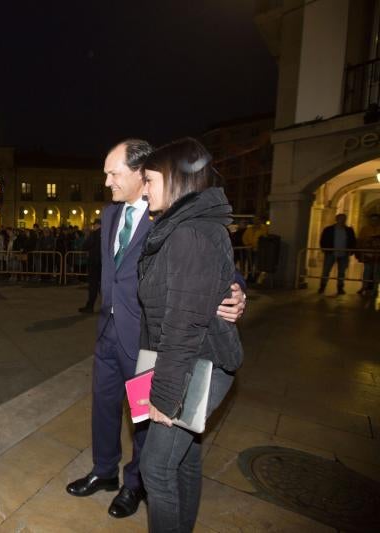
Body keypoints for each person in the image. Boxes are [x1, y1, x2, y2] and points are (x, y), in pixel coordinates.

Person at [65, 139, 245, 520]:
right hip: (108, 333)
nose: (108, 181)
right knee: (104, 408)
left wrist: (237, 291)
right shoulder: (111, 215)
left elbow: (212, 261)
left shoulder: (172, 212)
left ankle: (134, 485)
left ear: (138, 172)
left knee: (146, 421)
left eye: (114, 173)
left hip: (149, 340)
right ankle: (104, 472)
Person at [137, 137, 244, 532]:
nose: (144, 188)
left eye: (149, 179)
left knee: (156, 469)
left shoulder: (190, 233)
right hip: (182, 361)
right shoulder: (185, 227)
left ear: (176, 179)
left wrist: (165, 397)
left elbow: (183, 324)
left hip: (194, 364)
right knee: (183, 460)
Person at [318, 213, 357, 295]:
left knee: (342, 272)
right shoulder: (329, 229)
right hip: (331, 253)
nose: (342, 220)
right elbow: (323, 239)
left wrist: (351, 251)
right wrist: (324, 249)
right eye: (340, 219)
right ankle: (322, 287)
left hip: (344, 254)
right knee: (326, 270)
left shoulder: (349, 230)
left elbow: (353, 240)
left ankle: (340, 288)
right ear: (336, 219)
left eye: (344, 219)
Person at [78, 219, 102, 313]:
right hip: (103, 263)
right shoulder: (106, 233)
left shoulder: (94, 234)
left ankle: (90, 306)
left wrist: (87, 237)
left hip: (94, 263)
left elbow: (85, 246)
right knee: (102, 285)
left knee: (93, 285)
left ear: (97, 225)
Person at [357, 213, 380, 295]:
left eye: (376, 220)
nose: (374, 221)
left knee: (376, 272)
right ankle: (364, 287)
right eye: (373, 220)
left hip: (378, 255)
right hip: (367, 254)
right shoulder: (365, 229)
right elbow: (360, 240)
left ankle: (375, 289)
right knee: (367, 271)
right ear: (370, 220)